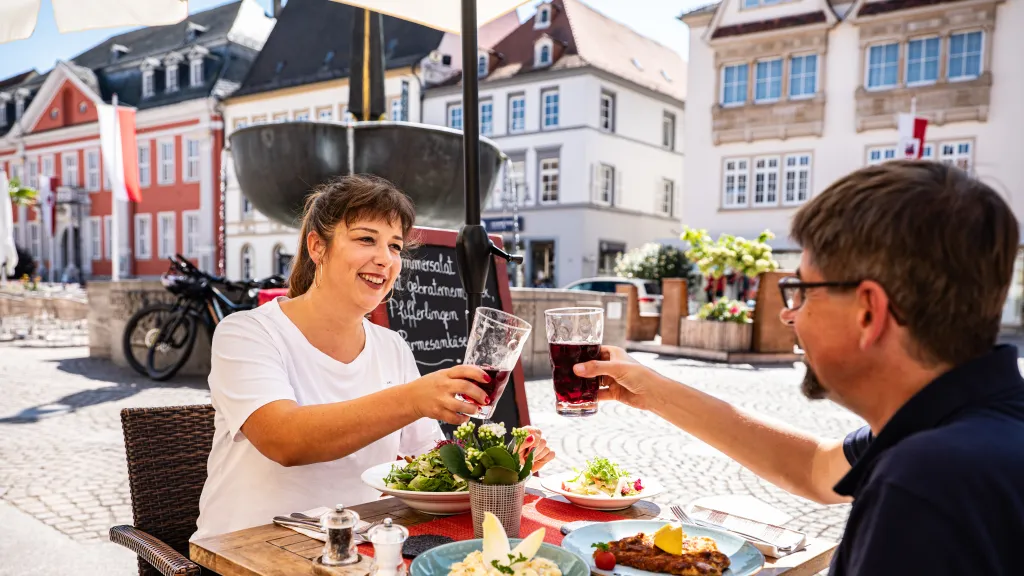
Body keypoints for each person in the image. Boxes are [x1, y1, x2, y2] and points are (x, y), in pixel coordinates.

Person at [575, 161, 1024, 575]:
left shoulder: (928, 479)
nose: (789, 314)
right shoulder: (965, 423)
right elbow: (813, 468)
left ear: (868, 312)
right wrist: (652, 391)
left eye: (803, 292)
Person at [193, 175, 554, 540]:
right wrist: (412, 400)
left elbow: (429, 460)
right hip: (243, 551)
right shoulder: (247, 332)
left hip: (352, 548)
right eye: (366, 239)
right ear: (318, 247)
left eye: (395, 246)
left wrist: (502, 459)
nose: (385, 259)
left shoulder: (391, 346)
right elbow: (284, 440)